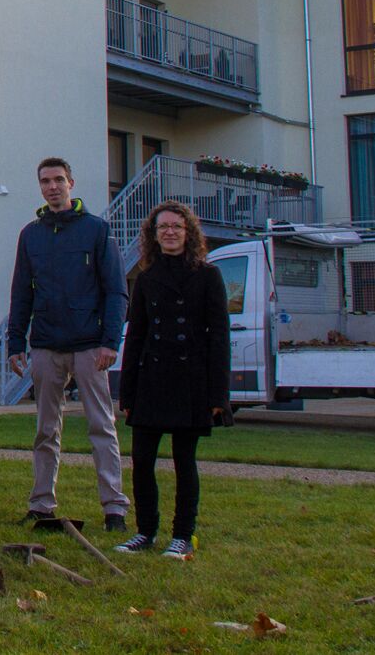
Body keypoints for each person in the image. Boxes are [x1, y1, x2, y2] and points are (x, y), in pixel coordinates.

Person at [7, 156, 131, 531]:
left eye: (58, 180)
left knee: (101, 426)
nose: (52, 187)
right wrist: (16, 342)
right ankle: (41, 503)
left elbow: (116, 291)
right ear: (40, 186)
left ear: (71, 184)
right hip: (46, 344)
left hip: (90, 345)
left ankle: (114, 508)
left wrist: (110, 341)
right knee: (46, 429)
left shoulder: (96, 230)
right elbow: (20, 294)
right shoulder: (31, 234)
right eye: (45, 181)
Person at [114, 200, 230, 559]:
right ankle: (145, 531)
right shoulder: (147, 279)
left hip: (191, 380)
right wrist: (126, 389)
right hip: (152, 379)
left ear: (188, 233)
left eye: (176, 227)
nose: (169, 232)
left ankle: (182, 535)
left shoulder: (209, 276)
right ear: (153, 234)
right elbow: (135, 337)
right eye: (162, 227)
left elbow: (219, 337)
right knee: (142, 460)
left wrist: (218, 395)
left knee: (184, 461)